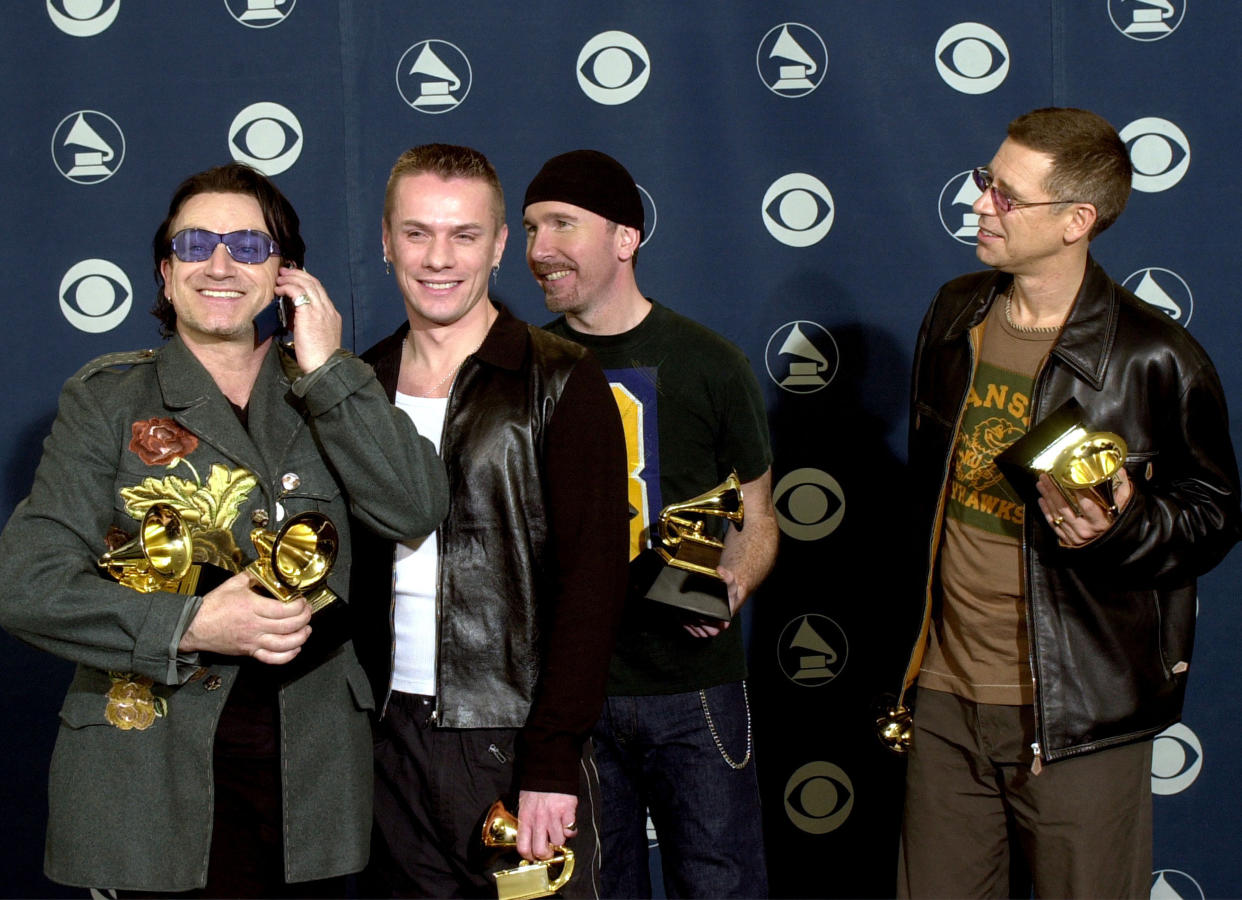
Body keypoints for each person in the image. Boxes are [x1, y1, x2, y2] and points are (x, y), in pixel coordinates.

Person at [0, 163, 449, 896]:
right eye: (195, 243)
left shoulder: (333, 387)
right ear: (164, 272)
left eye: (247, 245)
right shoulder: (107, 399)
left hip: (309, 782)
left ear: (283, 273)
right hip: (150, 777)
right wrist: (193, 622)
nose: (219, 263)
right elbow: (25, 586)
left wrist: (330, 368)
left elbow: (414, 507)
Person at [895, 107, 1240, 898]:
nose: (980, 203)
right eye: (987, 182)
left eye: (1007, 196)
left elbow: (1214, 513)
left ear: (1076, 221)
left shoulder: (1155, 356)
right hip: (945, 698)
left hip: (1075, 712)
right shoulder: (956, 314)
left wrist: (1122, 527)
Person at [352, 143, 629, 898]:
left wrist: (550, 761)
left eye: (464, 235)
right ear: (385, 241)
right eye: (416, 233)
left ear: (500, 245)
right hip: (380, 740)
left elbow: (594, 589)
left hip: (512, 739)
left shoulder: (562, 379)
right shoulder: (357, 386)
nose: (439, 257)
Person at [523, 149, 779, 899]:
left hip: (692, 689)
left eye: (563, 224)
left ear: (625, 238)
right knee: (597, 888)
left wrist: (732, 583)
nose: (540, 249)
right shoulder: (526, 367)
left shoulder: (709, 362)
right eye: (533, 226)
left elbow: (759, 518)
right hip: (572, 691)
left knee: (722, 885)